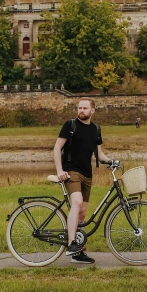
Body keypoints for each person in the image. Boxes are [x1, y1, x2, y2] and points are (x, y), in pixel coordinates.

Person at [53, 98, 114, 264]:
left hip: (87, 174)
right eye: (79, 107)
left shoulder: (96, 130)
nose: (81, 110)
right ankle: (72, 244)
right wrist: (60, 170)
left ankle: (77, 254)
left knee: (82, 213)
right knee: (77, 202)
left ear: (92, 110)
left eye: (85, 108)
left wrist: (111, 161)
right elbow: (57, 147)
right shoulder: (70, 125)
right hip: (71, 171)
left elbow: (99, 155)